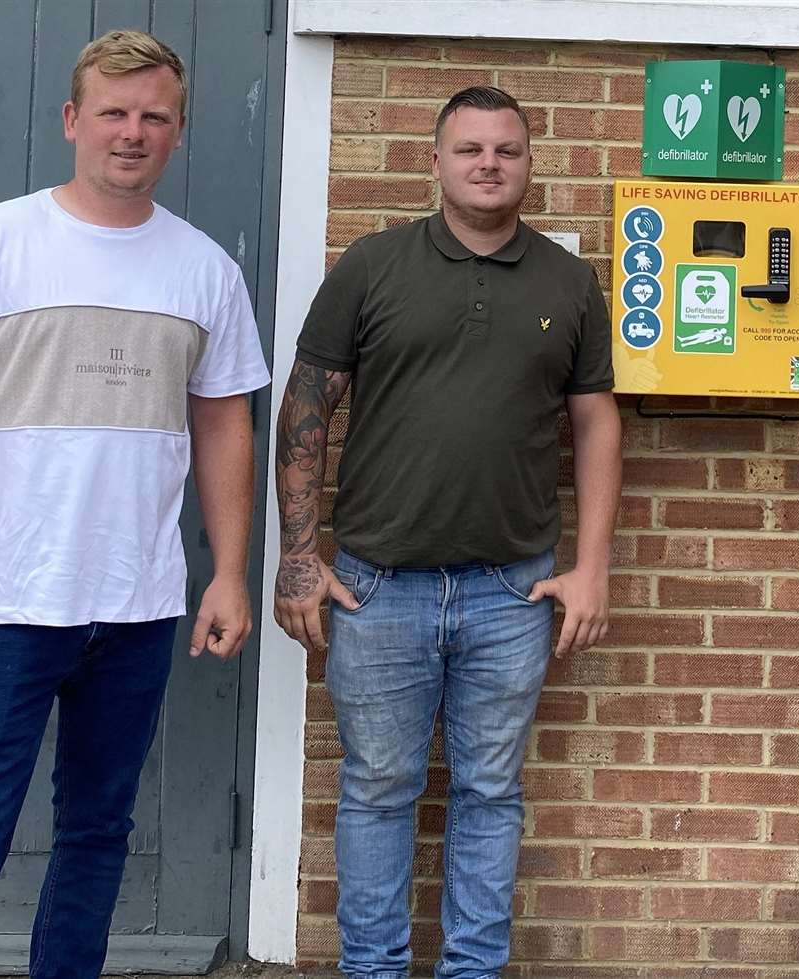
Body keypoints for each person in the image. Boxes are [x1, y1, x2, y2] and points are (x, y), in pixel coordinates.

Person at [0, 29, 269, 976]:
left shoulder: (203, 268)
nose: (131, 133)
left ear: (177, 133)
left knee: (97, 836)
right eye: (113, 113)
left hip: (135, 606)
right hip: (4, 601)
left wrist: (228, 570)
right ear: (72, 120)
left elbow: (223, 426)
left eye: (154, 117)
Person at [272, 85, 620, 977]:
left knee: (491, 792)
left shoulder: (567, 282)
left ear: (529, 163)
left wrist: (591, 568)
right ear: (436, 162)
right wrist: (299, 557)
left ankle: (473, 968)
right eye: (470, 149)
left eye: (507, 149)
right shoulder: (373, 266)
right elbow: (306, 406)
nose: (489, 164)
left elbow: (596, 424)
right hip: (379, 583)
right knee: (380, 790)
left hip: (513, 587)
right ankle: (373, 968)